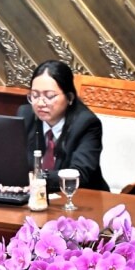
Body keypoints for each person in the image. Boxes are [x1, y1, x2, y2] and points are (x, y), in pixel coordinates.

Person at [18, 60, 109, 192]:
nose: (40, 103)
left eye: (49, 96)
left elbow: (80, 174)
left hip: (82, 199)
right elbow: (11, 159)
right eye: (35, 95)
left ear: (70, 97)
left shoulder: (87, 124)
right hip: (34, 198)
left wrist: (39, 178)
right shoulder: (25, 115)